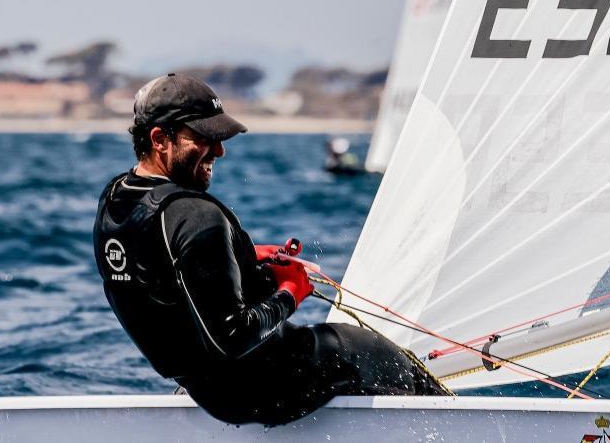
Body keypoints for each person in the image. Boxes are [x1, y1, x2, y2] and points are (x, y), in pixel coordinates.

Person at [94, 74, 449, 426]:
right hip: (265, 391)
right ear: (160, 139)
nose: (219, 150)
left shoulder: (116, 199)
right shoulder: (196, 215)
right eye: (204, 138)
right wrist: (291, 293)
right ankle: (448, 422)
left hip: (207, 391)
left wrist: (242, 255)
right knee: (362, 347)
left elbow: (164, 274)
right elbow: (231, 338)